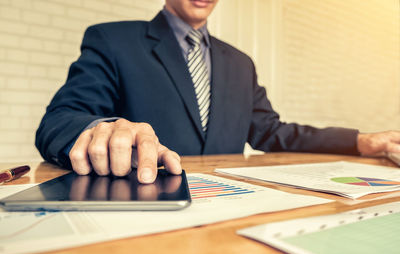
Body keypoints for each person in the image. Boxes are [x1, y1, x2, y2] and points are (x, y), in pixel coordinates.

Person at [35, 0, 400, 184]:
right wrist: (103, 128)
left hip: (229, 206)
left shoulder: (240, 62)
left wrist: (363, 142)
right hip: (144, 206)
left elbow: (272, 133)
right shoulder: (112, 39)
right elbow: (61, 119)